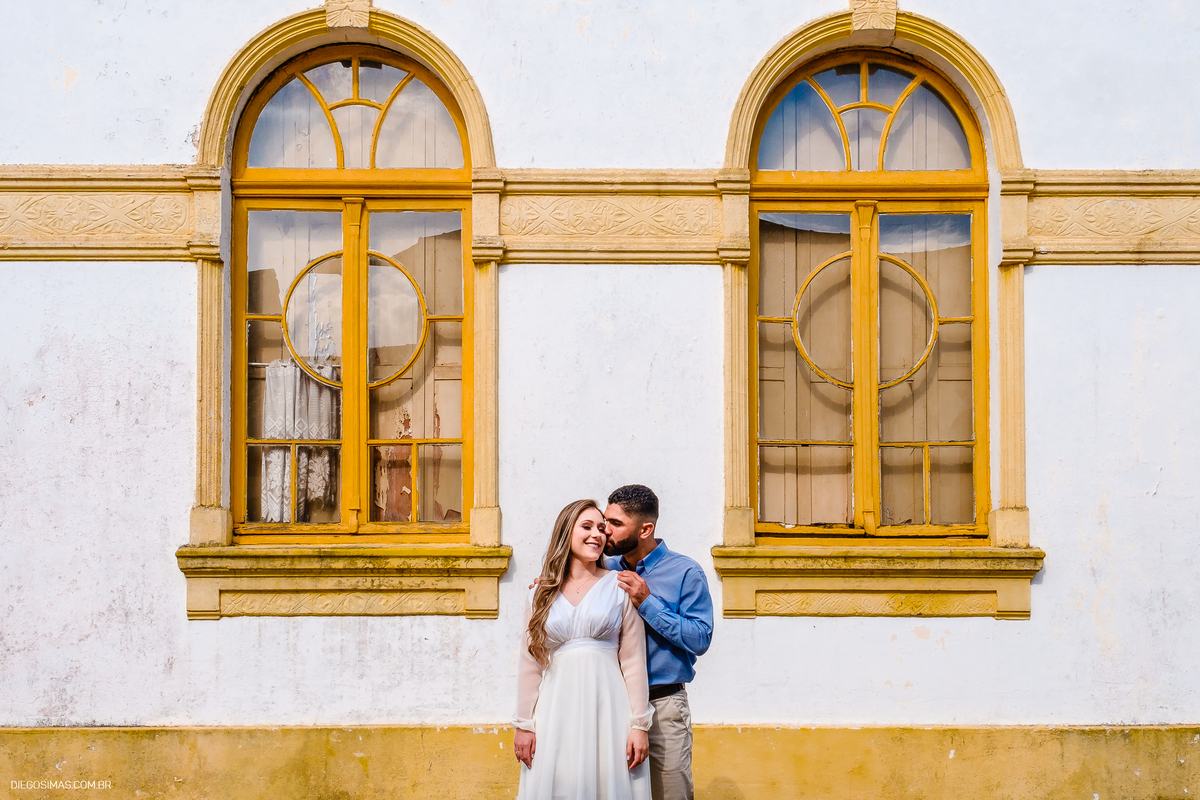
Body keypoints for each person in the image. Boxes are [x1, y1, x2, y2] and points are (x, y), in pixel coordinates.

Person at [513, 499, 655, 800]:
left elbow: (633, 660)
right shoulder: (539, 594)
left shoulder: (619, 587)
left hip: (609, 708)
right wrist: (523, 725)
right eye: (587, 527)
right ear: (566, 532)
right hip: (555, 710)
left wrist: (639, 725)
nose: (597, 535)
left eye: (602, 529)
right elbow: (530, 664)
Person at [603, 484, 713, 800]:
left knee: (671, 794)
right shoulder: (603, 569)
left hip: (663, 707)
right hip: (613, 704)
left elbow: (700, 638)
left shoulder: (686, 572)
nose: (605, 531)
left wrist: (648, 602)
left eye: (616, 524)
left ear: (646, 528)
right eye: (605, 520)